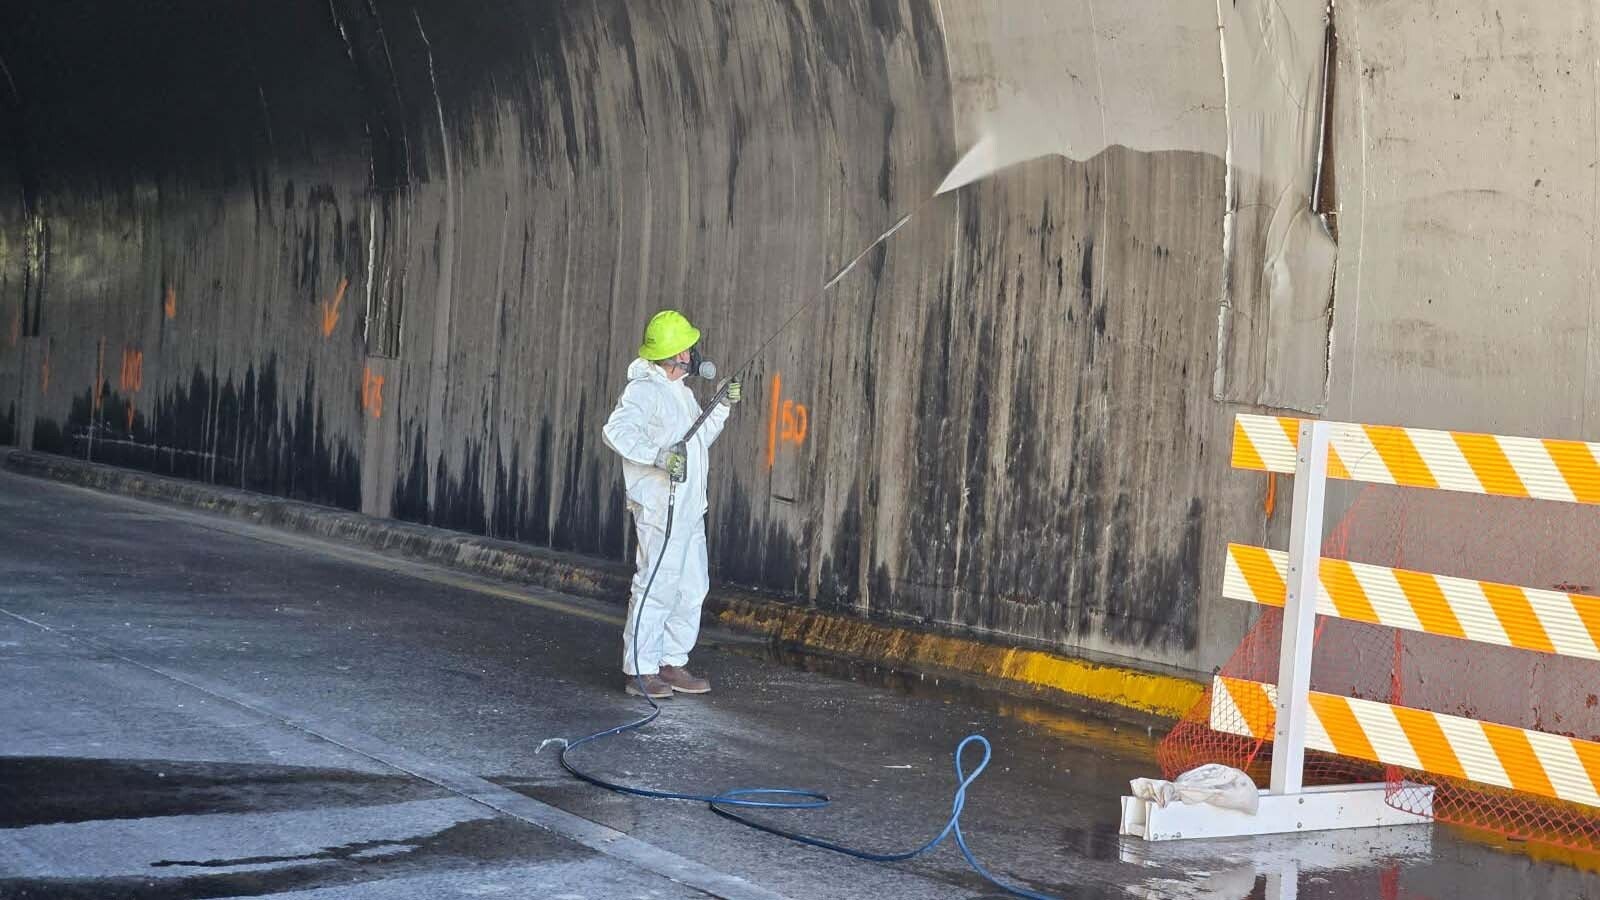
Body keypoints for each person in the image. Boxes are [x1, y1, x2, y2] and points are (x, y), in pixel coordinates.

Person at [601, 310, 742, 699]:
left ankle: (670, 661)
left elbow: (697, 440)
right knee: (656, 586)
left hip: (689, 506)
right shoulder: (643, 391)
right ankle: (641, 669)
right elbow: (615, 432)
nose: (694, 353)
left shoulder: (680, 392)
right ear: (677, 355)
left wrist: (721, 407)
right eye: (688, 348)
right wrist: (658, 456)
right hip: (660, 506)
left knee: (692, 586)